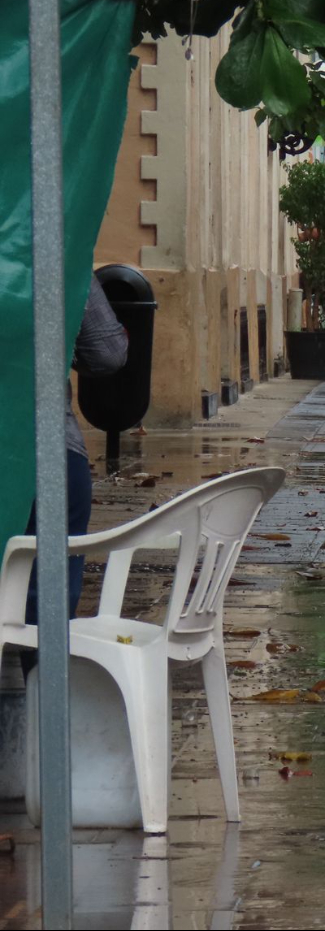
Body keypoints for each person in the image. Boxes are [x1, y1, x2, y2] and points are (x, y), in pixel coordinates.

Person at [22, 276, 128, 675]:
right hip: (46, 450)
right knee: (43, 612)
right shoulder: (51, 237)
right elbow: (107, 352)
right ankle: (41, 715)